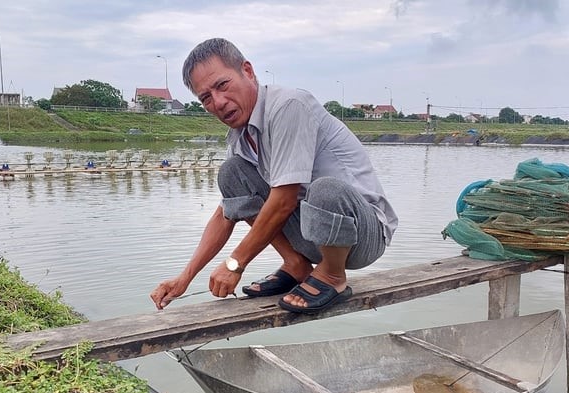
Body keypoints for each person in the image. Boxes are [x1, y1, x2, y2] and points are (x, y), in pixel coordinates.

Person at [150, 38, 397, 314]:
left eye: (222, 85)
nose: (218, 102)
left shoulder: (289, 106)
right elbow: (226, 213)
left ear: (247, 71)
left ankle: (332, 275)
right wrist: (185, 278)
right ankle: (296, 264)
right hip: (312, 233)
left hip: (362, 235)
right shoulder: (240, 137)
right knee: (231, 174)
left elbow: (284, 200)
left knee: (326, 189)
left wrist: (235, 263)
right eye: (206, 98)